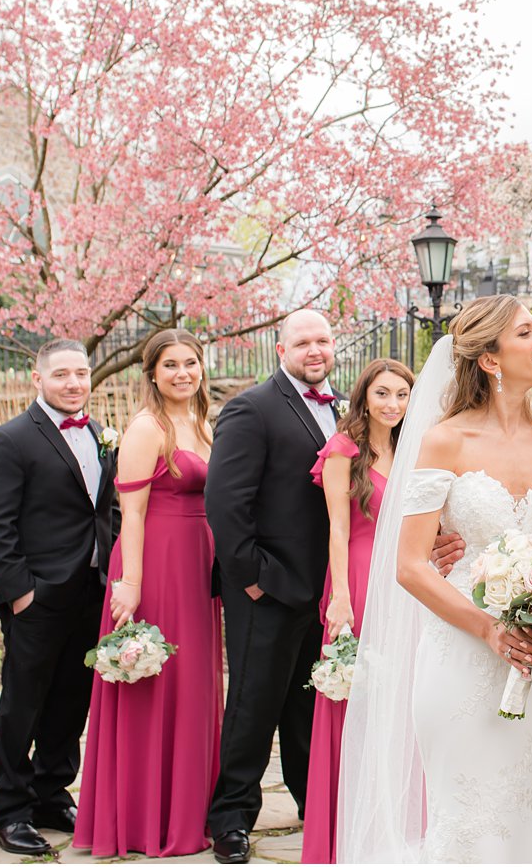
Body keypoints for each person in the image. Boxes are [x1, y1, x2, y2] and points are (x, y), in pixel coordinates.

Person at [337, 295, 532, 862]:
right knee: (464, 817)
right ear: (491, 359)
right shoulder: (445, 440)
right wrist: (490, 630)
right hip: (459, 656)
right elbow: (411, 564)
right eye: (527, 333)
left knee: (531, 816)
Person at [73, 330, 223, 857]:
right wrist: (131, 585)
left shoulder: (204, 421)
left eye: (191, 363)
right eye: (171, 365)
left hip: (196, 567)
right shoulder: (146, 427)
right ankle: (141, 819)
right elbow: (130, 514)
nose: (183, 373)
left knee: (193, 687)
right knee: (153, 685)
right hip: (154, 563)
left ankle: (186, 810)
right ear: (153, 374)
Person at [205, 309, 344, 865]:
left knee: (309, 706)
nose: (316, 350)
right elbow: (225, 504)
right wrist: (253, 581)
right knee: (252, 705)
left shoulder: (343, 411)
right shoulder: (251, 409)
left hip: (325, 592)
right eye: (303, 342)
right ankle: (232, 819)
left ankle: (315, 804)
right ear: (280, 349)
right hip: (269, 587)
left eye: (324, 340)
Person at [0, 338, 118, 856]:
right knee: (23, 704)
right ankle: (8, 810)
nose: (74, 383)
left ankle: (51, 792)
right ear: (38, 379)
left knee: (70, 699)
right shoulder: (8, 440)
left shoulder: (101, 433)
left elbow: (105, 509)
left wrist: (113, 565)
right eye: (62, 375)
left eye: (81, 373)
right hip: (36, 595)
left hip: (91, 590)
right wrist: (20, 594)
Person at [299, 357, 412, 864]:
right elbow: (337, 529)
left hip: (406, 585)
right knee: (356, 696)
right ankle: (343, 829)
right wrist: (340, 595)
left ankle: (395, 819)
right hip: (360, 582)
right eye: (383, 394)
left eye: (402, 395)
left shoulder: (413, 447)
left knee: (402, 699)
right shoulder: (344, 449)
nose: (392, 404)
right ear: (365, 395)